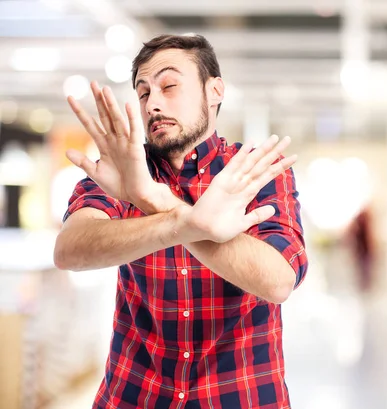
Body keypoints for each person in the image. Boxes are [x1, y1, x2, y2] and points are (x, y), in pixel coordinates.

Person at [53, 34, 308, 409]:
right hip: (134, 395)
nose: (153, 103)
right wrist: (189, 222)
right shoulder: (124, 170)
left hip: (241, 396)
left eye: (169, 86)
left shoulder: (255, 171)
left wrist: (154, 200)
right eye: (143, 93)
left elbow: (278, 280)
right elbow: (69, 250)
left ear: (215, 90)